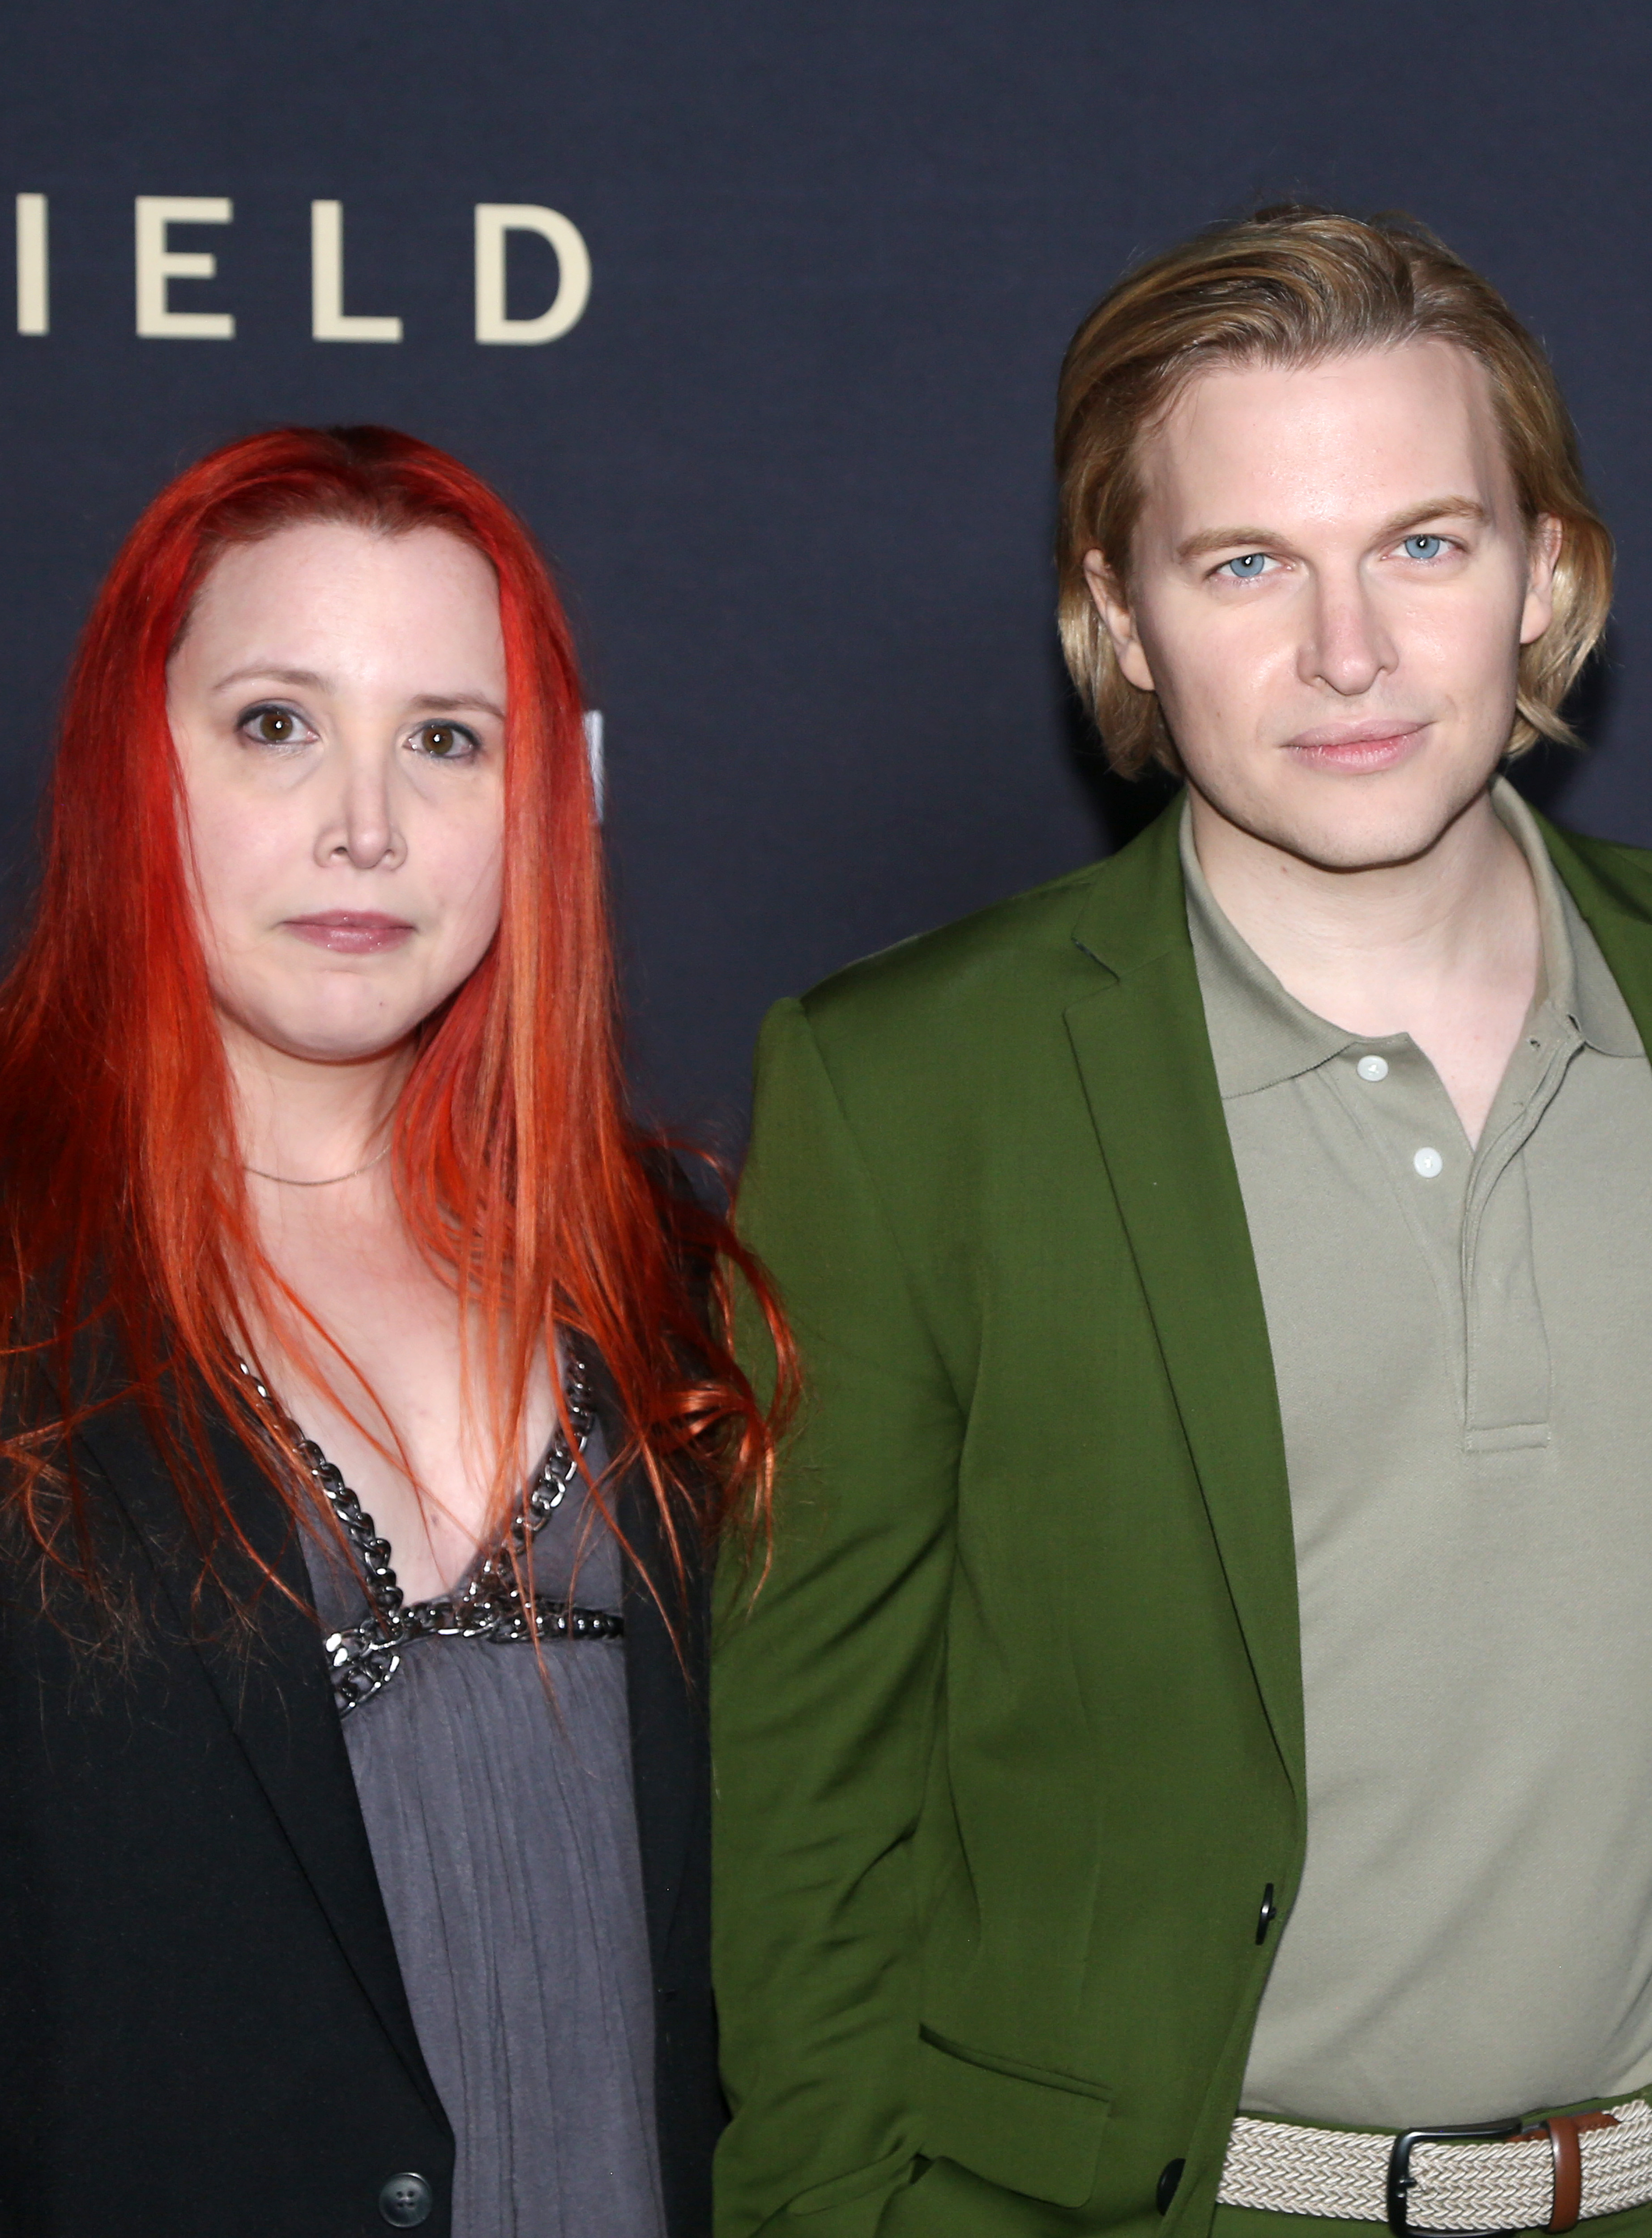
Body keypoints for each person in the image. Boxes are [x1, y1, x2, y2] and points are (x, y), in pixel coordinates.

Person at [713, 205, 1652, 2238]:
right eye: (1246, 565)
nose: (1347, 651)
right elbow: (812, 1820)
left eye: (1422, 543)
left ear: (1545, 576)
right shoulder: (908, 1094)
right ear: (1121, 619)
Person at [0, 424, 789, 2238]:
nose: (367, 821)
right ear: (137, 765)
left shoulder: (670, 1273)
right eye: (276, 722)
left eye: (446, 738)